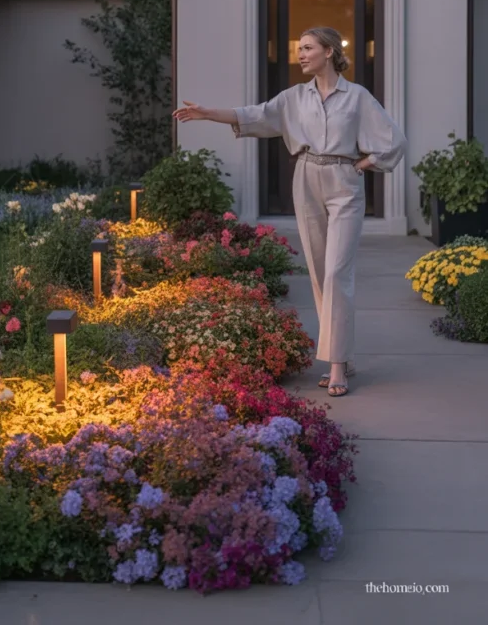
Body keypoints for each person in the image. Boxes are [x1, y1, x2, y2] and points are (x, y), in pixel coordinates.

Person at [172, 25, 406, 398]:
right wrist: (207, 114)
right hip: (307, 177)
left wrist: (364, 164)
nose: (300, 53)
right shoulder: (294, 98)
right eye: (299, 47)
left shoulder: (357, 97)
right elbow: (255, 114)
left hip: (344, 182)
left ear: (329, 51)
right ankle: (339, 355)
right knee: (317, 271)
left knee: (336, 272)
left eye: (308, 47)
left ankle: (336, 364)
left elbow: (394, 140)